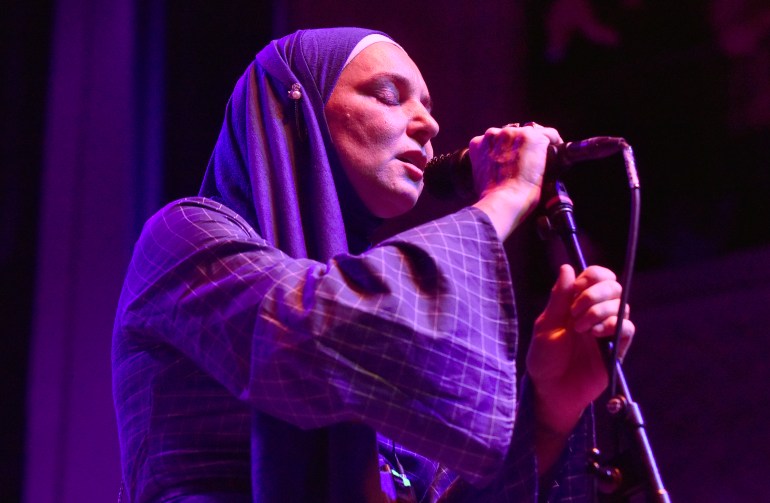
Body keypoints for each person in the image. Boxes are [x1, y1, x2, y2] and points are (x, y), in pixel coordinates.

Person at [112, 27, 633, 502]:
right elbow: (313, 335)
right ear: (301, 107)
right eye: (389, 95)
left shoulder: (388, 318)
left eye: (429, 106)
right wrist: (505, 199)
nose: (429, 124)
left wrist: (549, 412)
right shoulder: (184, 237)